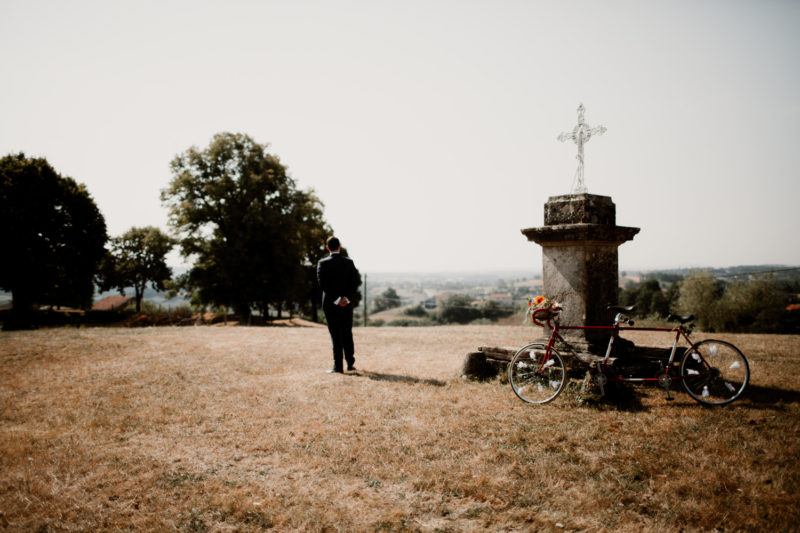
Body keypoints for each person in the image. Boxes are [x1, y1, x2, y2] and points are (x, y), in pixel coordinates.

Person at [317, 236, 361, 373]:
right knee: (347, 332)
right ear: (339, 246)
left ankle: (338, 366)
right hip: (346, 304)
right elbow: (355, 282)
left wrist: (336, 299)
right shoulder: (349, 262)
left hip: (330, 304)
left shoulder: (322, 263)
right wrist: (345, 298)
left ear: (327, 248)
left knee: (335, 334)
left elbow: (323, 284)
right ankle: (350, 363)